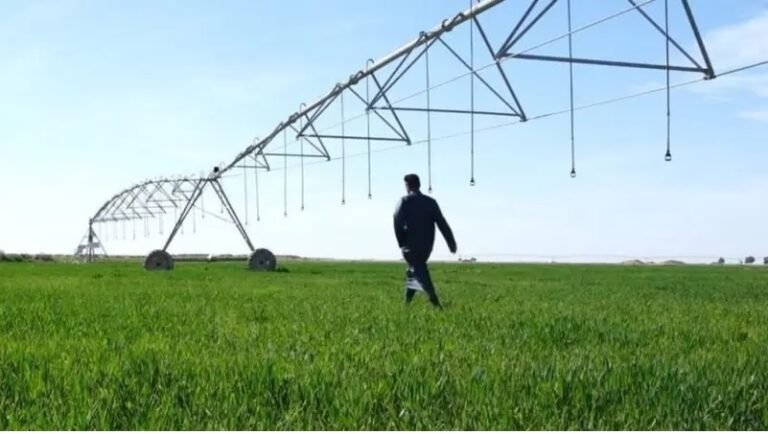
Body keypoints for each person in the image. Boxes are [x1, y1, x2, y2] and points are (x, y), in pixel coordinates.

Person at [393, 174, 457, 308]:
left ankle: (436, 305)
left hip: (410, 247)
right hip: (426, 247)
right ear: (419, 185)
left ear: (407, 186)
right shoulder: (430, 202)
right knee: (414, 270)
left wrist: (401, 242)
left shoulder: (404, 201)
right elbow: (442, 223)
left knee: (420, 272)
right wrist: (451, 243)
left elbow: (397, 220)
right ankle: (406, 305)